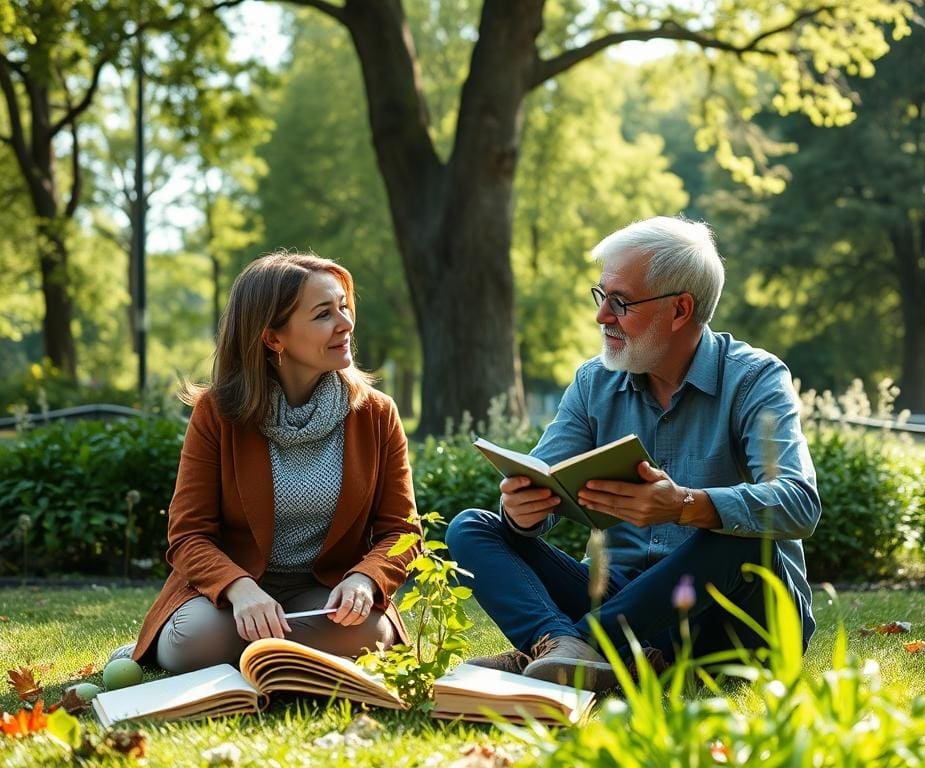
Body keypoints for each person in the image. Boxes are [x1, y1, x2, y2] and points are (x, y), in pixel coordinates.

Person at [446, 216, 820, 691]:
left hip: (734, 621)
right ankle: (573, 650)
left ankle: (561, 652)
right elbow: (545, 480)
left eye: (620, 303)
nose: (603, 317)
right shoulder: (593, 382)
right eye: (601, 297)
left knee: (743, 537)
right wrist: (522, 511)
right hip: (627, 607)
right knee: (473, 527)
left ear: (680, 309)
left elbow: (799, 503)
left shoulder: (755, 379)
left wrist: (687, 506)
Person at [116, 251, 421, 673]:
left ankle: (257, 655)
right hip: (231, 596)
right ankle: (267, 652)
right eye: (323, 314)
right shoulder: (217, 413)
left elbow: (402, 532)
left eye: (344, 308)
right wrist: (240, 590)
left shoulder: (376, 413)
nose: (346, 324)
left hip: (324, 594)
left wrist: (364, 579)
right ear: (273, 338)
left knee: (370, 636)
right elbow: (188, 535)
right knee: (194, 643)